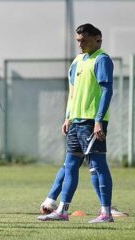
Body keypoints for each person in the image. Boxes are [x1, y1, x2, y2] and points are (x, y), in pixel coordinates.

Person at [38, 23, 114, 223]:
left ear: (98, 38)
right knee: (70, 165)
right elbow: (73, 92)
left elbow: (107, 91)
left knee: (98, 165)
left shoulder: (102, 59)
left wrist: (98, 120)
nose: (80, 45)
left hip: (92, 122)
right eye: (78, 41)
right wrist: (68, 117)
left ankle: (106, 213)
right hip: (76, 122)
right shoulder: (78, 60)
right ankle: (62, 211)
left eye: (85, 40)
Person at [39, 163, 128, 217]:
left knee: (70, 161)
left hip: (75, 132)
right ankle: (107, 208)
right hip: (87, 132)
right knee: (96, 163)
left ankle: (50, 201)